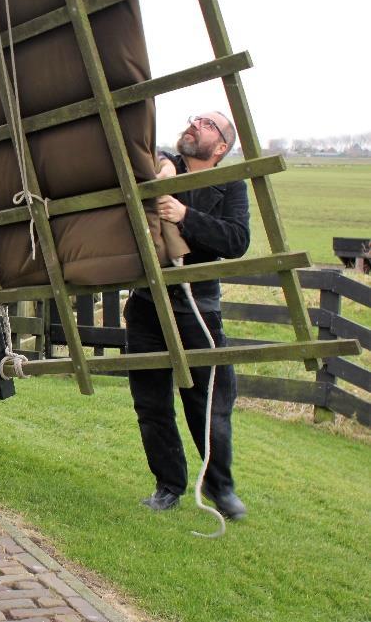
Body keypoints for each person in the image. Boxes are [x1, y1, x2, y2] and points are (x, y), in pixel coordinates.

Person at [125, 111, 250, 519]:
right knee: (151, 402)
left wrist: (185, 217)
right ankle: (168, 486)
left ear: (220, 148)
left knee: (208, 402)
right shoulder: (165, 164)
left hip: (199, 309)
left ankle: (221, 489)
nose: (196, 124)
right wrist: (163, 168)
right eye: (196, 119)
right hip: (148, 305)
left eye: (209, 124)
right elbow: (149, 156)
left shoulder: (230, 184)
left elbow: (236, 240)